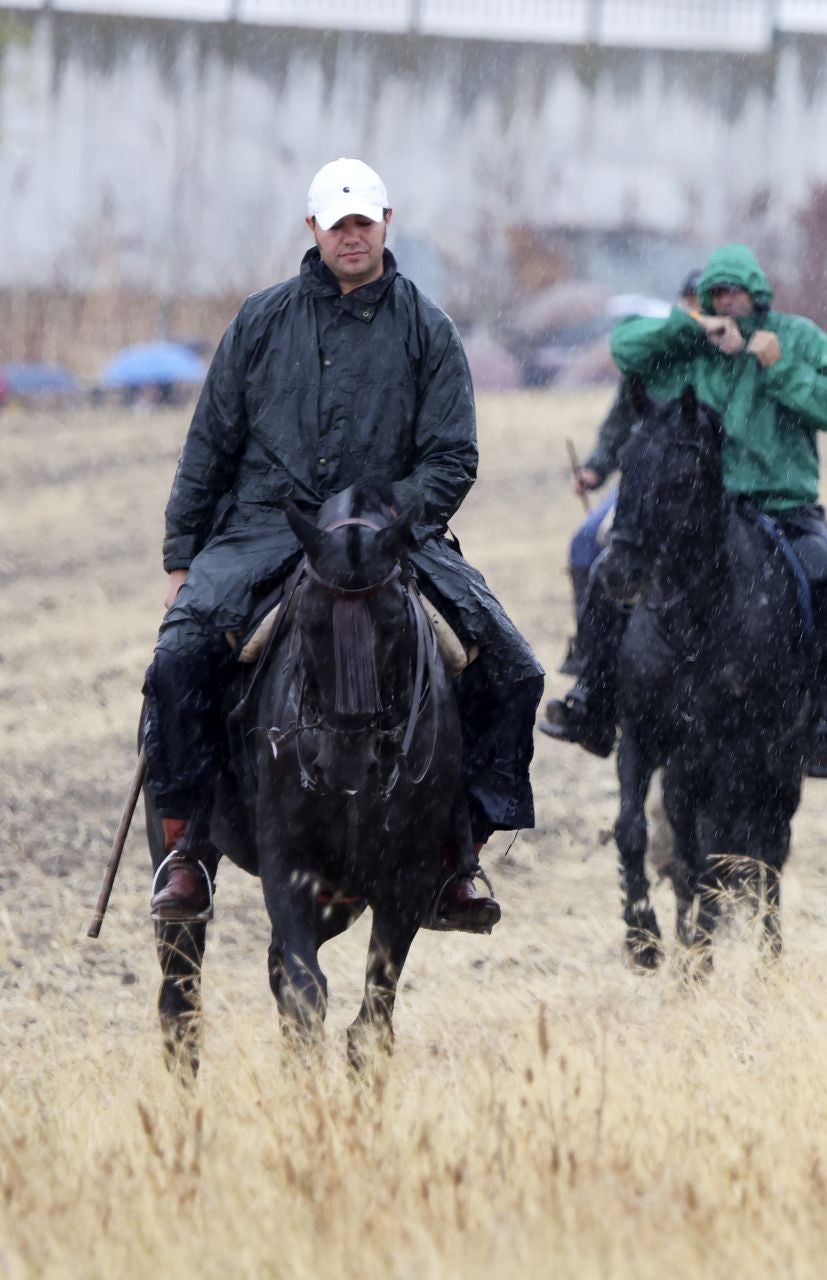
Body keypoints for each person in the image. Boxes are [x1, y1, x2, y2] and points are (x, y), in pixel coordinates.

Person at [145, 158, 543, 929]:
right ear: (314, 230)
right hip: (263, 532)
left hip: (392, 541)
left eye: (364, 222)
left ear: (387, 222)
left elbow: (453, 456)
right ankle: (187, 847)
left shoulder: (429, 328)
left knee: (514, 670)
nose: (352, 236)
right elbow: (209, 445)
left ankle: (457, 857)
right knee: (176, 661)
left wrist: (383, 519)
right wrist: (182, 557)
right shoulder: (259, 322)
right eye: (339, 224)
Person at [540, 244, 827, 778]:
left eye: (734, 292)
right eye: (716, 294)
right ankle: (592, 697)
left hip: (780, 506)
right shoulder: (691, 347)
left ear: (757, 295)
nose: (726, 302)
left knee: (826, 580)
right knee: (606, 567)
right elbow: (624, 350)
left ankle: (823, 719)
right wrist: (689, 328)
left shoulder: (797, 338)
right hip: (689, 510)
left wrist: (777, 365)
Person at [560, 270, 704, 675]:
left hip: (701, 487)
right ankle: (593, 654)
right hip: (641, 485)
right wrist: (595, 467)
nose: (695, 311)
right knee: (586, 541)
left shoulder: (719, 355)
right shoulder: (651, 355)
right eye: (690, 302)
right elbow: (619, 422)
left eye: (703, 303)